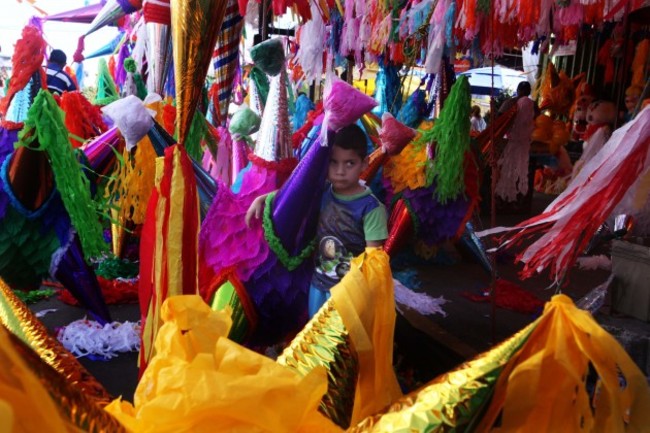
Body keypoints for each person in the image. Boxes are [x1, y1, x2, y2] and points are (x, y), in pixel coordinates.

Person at [246, 124, 388, 317]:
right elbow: (293, 196)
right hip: (318, 284)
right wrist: (262, 199)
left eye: (349, 163)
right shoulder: (323, 191)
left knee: (342, 343)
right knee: (314, 333)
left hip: (350, 294)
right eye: (333, 162)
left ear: (364, 164)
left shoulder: (371, 209)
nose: (340, 171)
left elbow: (373, 263)